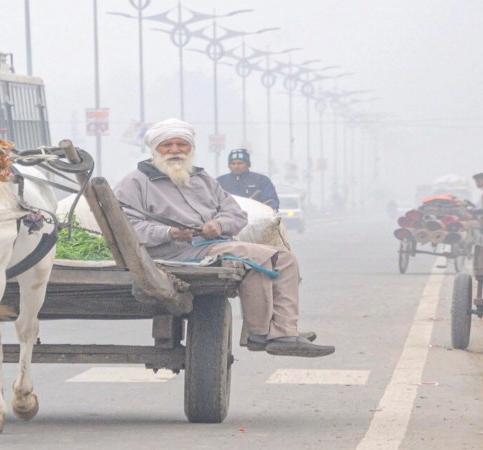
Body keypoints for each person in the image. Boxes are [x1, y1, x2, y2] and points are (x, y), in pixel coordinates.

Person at [114, 118, 335, 357]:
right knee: (274, 258)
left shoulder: (203, 179)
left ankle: (272, 332)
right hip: (172, 253)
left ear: (191, 149)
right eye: (168, 145)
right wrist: (170, 233)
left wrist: (219, 225)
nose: (175, 150)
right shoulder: (136, 182)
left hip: (213, 245)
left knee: (277, 260)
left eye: (182, 145)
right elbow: (126, 226)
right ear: (155, 149)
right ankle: (277, 334)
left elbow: (236, 213)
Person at [216, 148, 280, 210]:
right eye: (233, 163)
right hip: (226, 218)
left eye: (240, 163)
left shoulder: (261, 180)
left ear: (248, 164)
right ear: (229, 165)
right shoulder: (219, 182)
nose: (236, 166)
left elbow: (271, 201)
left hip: (255, 218)